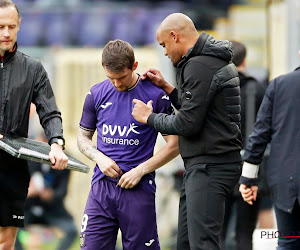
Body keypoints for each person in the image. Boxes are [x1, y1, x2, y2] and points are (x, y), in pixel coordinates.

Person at [132, 13, 242, 250]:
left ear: (175, 36)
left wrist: (148, 118)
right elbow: (198, 107)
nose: (164, 52)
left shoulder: (198, 65)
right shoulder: (205, 60)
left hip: (210, 166)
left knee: (202, 244)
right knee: (185, 243)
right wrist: (168, 88)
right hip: (205, 165)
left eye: (164, 45)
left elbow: (187, 124)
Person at [77, 39, 179, 250]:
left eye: (121, 77)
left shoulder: (154, 95)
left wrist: (140, 171)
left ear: (134, 66)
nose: (117, 84)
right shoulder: (96, 94)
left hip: (138, 188)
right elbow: (82, 137)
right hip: (101, 188)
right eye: (110, 78)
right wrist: (99, 157)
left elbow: (175, 145)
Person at [0, 1, 68, 249]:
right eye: (0, 27)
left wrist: (56, 143)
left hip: (12, 168)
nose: (6, 33)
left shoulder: (33, 69)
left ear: (19, 26)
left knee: (6, 243)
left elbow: (49, 112)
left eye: (11, 26)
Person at [239, 51, 300, 250]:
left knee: (288, 240)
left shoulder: (279, 85)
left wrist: (248, 179)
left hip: (286, 179)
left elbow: (259, 135)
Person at [220, 41, 269, 250]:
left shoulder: (216, 87)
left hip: (220, 168)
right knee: (244, 234)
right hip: (252, 169)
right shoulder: (258, 88)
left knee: (217, 234)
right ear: (245, 60)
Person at [15, 133, 77, 250]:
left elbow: (62, 191)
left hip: (52, 209)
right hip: (28, 207)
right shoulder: (28, 160)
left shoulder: (64, 164)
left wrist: (51, 195)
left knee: (71, 230)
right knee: (11, 224)